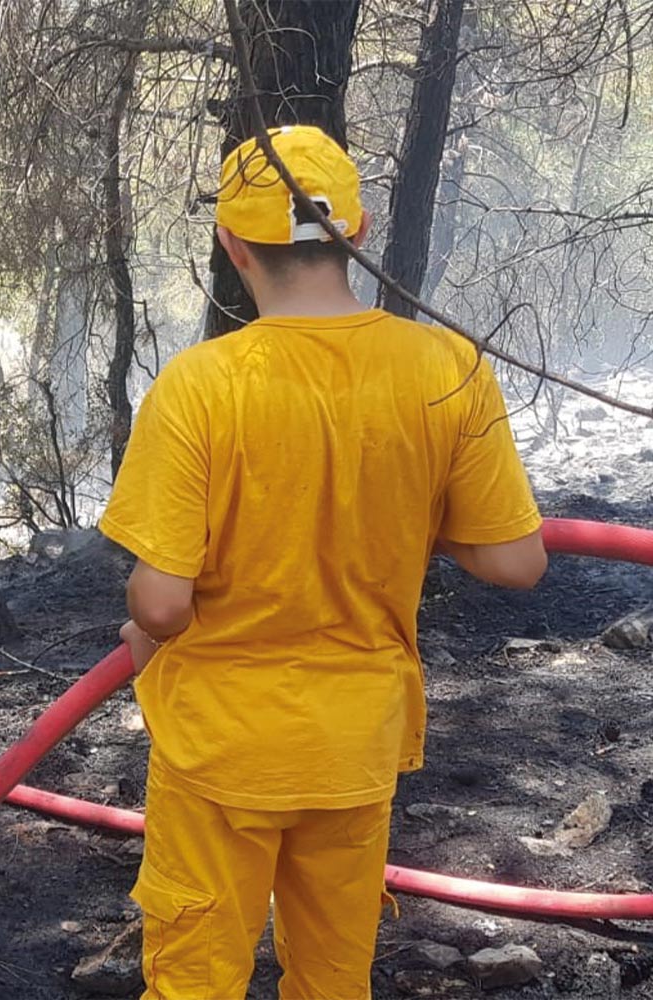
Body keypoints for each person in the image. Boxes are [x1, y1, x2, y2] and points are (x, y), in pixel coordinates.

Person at [99, 125, 547, 999]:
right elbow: (517, 561)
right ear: (360, 232)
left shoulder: (201, 385)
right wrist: (417, 513)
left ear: (231, 244)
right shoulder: (447, 368)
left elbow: (160, 608)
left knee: (195, 982)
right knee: (334, 982)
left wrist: (135, 616)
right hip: (354, 752)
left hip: (221, 756)